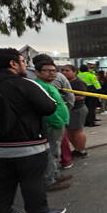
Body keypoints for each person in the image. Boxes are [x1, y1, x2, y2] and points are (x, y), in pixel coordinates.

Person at [0, 48, 66, 213]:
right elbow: (48, 107)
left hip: (0, 148)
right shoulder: (25, 84)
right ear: (13, 64)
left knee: (3, 181)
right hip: (28, 143)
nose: (25, 65)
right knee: (32, 180)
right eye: (22, 61)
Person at [34, 60, 71, 191]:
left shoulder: (49, 85)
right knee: (51, 152)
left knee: (55, 151)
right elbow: (46, 108)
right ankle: (49, 180)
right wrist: (57, 121)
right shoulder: (41, 86)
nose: (52, 73)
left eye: (54, 71)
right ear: (37, 72)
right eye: (47, 71)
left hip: (58, 123)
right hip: (53, 124)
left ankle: (55, 174)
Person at [61, 65, 89, 158]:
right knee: (70, 131)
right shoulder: (65, 82)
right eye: (63, 70)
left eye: (67, 70)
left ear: (74, 72)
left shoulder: (78, 83)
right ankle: (77, 149)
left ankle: (81, 150)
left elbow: (81, 96)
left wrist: (65, 98)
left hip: (77, 109)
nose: (64, 72)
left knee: (78, 131)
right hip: (69, 109)